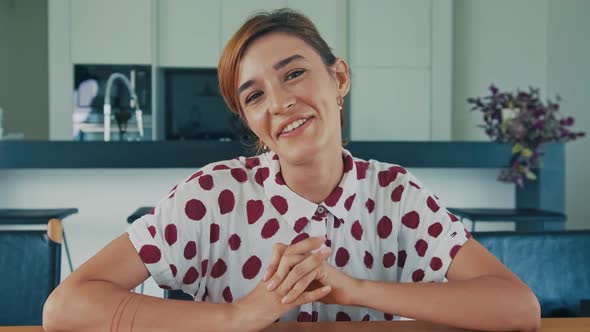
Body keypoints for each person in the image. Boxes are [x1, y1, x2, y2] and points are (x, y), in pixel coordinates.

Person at [43, 8, 541, 332]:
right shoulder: (213, 195)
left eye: (294, 73)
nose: (280, 103)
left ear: (338, 77)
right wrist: (240, 314)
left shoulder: (396, 194)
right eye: (255, 95)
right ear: (249, 119)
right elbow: (65, 309)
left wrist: (351, 288)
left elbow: (518, 308)